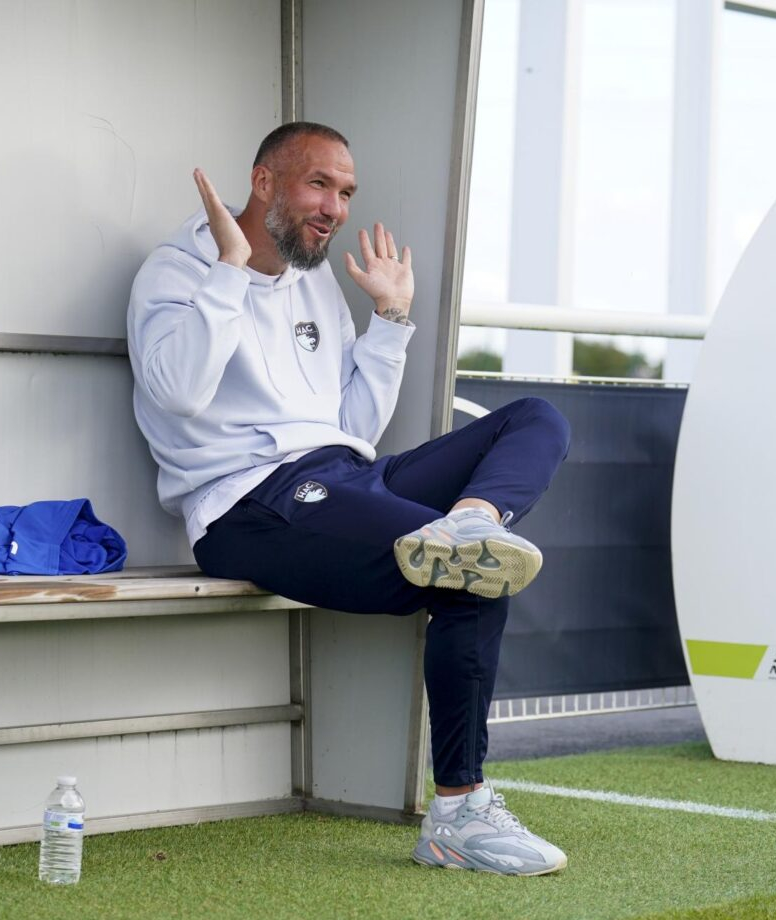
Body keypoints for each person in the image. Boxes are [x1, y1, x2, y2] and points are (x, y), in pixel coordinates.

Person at [127, 122, 571, 876]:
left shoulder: (313, 280)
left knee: (536, 420)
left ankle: (472, 520)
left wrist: (390, 320)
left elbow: (351, 429)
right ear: (264, 182)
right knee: (474, 575)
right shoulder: (175, 272)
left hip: (341, 473)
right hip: (248, 502)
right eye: (319, 185)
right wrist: (231, 269)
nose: (335, 208)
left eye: (345, 193)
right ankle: (459, 815)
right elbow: (177, 392)